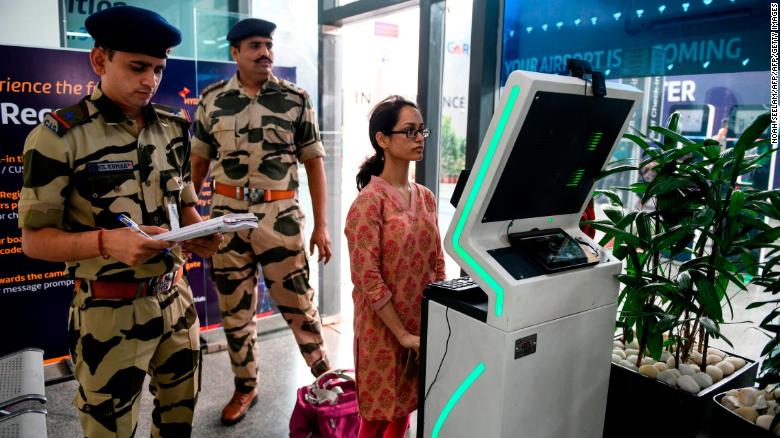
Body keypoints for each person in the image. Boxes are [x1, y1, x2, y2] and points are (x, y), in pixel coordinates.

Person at [18, 6, 222, 437]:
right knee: (110, 430)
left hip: (175, 302)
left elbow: (184, 200)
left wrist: (199, 231)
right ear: (99, 60)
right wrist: (107, 243)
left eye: (158, 69)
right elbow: (35, 242)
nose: (150, 80)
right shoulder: (59, 137)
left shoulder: (172, 128)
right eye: (137, 67)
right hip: (108, 313)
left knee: (178, 420)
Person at [190, 18, 332, 425]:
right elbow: (197, 165)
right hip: (226, 220)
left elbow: (314, 165)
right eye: (254, 45)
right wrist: (191, 221)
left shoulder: (295, 99)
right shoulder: (212, 100)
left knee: (300, 304)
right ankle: (245, 386)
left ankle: (325, 377)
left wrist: (321, 225)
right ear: (235, 53)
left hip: (280, 218)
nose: (265, 52)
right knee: (235, 311)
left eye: (268, 44)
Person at [344, 95, 446, 437]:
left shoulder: (427, 197)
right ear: (382, 139)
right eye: (409, 131)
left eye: (421, 131)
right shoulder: (369, 204)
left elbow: (437, 263)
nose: (419, 138)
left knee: (404, 413)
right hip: (383, 331)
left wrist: (432, 323)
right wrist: (401, 334)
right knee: (376, 419)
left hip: (419, 327)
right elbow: (366, 278)